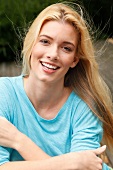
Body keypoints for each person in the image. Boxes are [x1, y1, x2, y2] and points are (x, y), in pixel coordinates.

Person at [0, 2, 113, 170]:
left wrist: (19, 140)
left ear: (75, 60)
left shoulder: (84, 106)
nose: (53, 55)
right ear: (31, 45)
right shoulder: (4, 93)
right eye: (45, 41)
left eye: (66, 48)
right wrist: (71, 162)